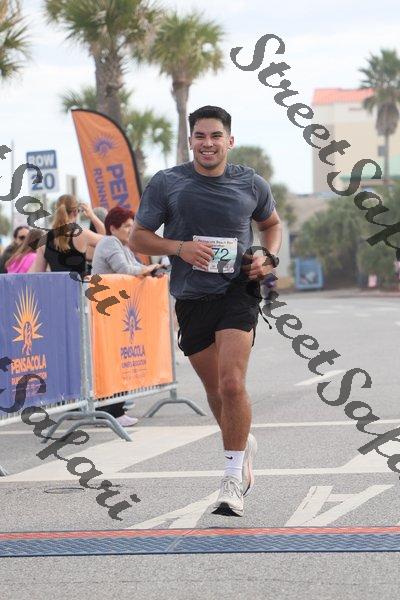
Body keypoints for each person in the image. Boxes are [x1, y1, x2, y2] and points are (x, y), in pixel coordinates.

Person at [130, 105, 282, 517]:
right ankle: (241, 444)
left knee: (232, 384)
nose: (208, 143)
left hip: (237, 292)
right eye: (200, 136)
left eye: (216, 136)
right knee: (215, 390)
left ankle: (233, 478)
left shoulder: (251, 183)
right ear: (190, 141)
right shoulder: (168, 183)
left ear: (229, 140)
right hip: (192, 298)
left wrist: (267, 256)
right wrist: (179, 248)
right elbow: (138, 238)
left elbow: (272, 225)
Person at [92, 206, 162, 427]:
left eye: (132, 226)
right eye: (127, 226)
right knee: (111, 361)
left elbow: (136, 266)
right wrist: (147, 270)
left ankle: (116, 409)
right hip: (107, 311)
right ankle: (111, 411)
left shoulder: (121, 244)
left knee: (118, 361)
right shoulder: (109, 243)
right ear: (113, 228)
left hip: (117, 311)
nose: (131, 230)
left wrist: (151, 269)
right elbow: (124, 269)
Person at [29, 195, 103, 275]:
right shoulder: (82, 234)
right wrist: (92, 216)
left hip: (57, 283)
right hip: (79, 283)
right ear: (75, 212)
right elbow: (108, 241)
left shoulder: (44, 240)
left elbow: (38, 275)